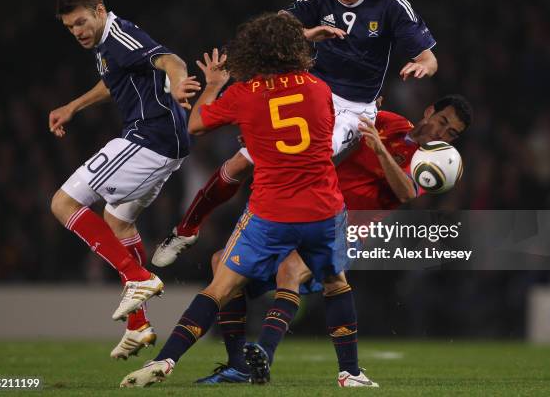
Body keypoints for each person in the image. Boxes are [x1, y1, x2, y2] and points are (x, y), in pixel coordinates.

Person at [120, 13, 377, 388]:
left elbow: (195, 125)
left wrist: (213, 84)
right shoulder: (319, 88)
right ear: (296, 48)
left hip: (271, 211)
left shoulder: (244, 94)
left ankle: (164, 360)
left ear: (252, 52)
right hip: (323, 209)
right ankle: (350, 373)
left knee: (220, 286)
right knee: (335, 283)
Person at [153, 0, 438, 266]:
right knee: (239, 163)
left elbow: (429, 57)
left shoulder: (389, 4)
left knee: (297, 164)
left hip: (354, 110)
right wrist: (308, 33)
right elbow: (276, 30)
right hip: (309, 91)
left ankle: (268, 254)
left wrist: (422, 64)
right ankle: (187, 229)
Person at [194, 95, 472, 385]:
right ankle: (238, 365)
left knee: (291, 268)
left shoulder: (433, 163)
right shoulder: (390, 122)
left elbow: (406, 193)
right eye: (442, 122)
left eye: (452, 133)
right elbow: (331, 125)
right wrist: (269, 138)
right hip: (312, 212)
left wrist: (379, 150)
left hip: (349, 230)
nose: (441, 134)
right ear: (429, 111)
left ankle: (264, 351)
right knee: (221, 262)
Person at [48, 0, 199, 360]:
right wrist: (74, 106)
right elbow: (113, 80)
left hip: (150, 138)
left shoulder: (119, 35)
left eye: (81, 22)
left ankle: (139, 278)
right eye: (69, 28)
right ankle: (139, 326)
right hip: (162, 142)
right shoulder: (106, 46)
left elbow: (170, 60)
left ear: (99, 10)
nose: (77, 31)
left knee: (63, 203)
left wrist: (179, 85)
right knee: (118, 225)